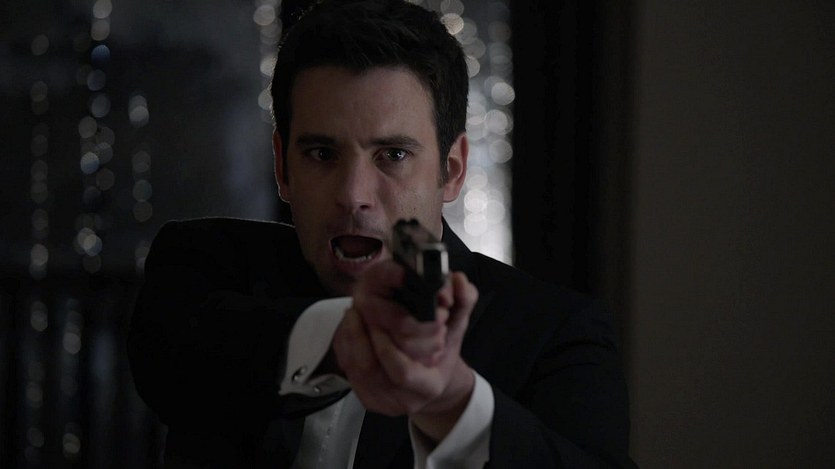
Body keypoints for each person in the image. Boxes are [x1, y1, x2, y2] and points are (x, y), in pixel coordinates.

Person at [128, 0, 636, 467]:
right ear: (282, 167)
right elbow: (173, 368)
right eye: (322, 154)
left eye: (393, 155)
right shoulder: (204, 267)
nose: (353, 196)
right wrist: (350, 338)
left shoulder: (555, 334)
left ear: (453, 170)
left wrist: (453, 402)